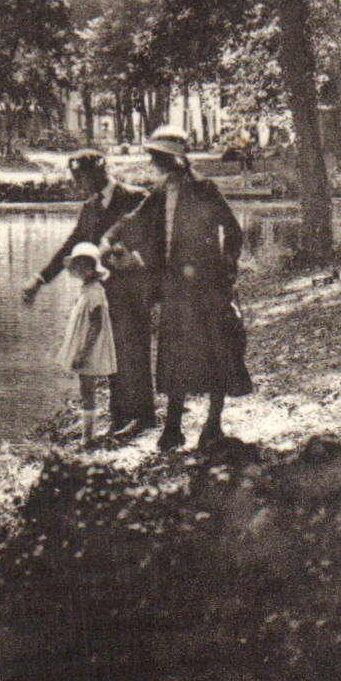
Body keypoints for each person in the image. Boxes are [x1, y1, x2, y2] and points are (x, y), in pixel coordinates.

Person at [102, 126, 252, 452]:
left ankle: (213, 424)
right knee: (174, 354)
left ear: (175, 159)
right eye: (154, 158)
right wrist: (110, 238)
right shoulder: (160, 191)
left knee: (217, 352)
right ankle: (173, 428)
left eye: (159, 157)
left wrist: (227, 272)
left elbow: (234, 232)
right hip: (174, 288)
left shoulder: (204, 189)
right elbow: (133, 220)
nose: (155, 163)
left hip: (208, 288)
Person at [22, 149, 156, 436]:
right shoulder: (90, 208)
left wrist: (135, 258)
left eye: (81, 177)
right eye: (75, 178)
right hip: (103, 291)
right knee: (110, 351)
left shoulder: (136, 197)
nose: (78, 183)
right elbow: (70, 247)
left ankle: (143, 417)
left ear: (98, 171)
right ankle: (120, 417)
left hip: (133, 287)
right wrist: (40, 279)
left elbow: (154, 239)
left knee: (134, 350)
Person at [57, 242, 116, 443]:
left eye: (86, 265)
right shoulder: (85, 289)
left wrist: (83, 352)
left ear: (94, 268)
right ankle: (87, 434)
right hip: (84, 344)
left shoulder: (95, 291)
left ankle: (88, 437)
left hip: (90, 347)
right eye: (78, 266)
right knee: (85, 387)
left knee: (88, 389)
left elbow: (97, 324)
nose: (82, 270)